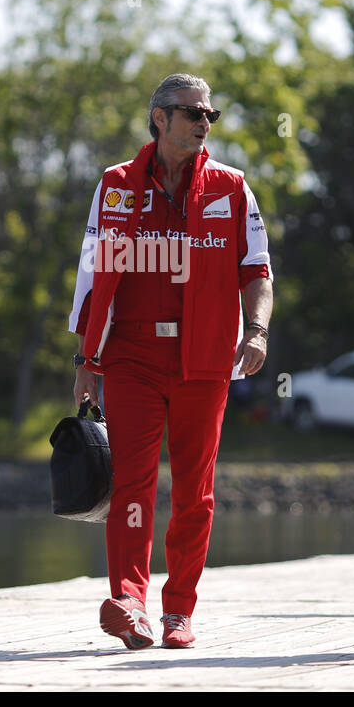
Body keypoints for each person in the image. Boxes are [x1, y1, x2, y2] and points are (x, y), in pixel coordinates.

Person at [69, 73, 272, 650]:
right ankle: (128, 602)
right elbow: (91, 274)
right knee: (131, 483)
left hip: (206, 356)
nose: (203, 123)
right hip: (131, 355)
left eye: (209, 114)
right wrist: (86, 356)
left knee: (194, 490)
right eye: (191, 112)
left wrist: (256, 331)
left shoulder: (232, 188)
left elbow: (255, 269)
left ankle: (179, 610)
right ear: (158, 117)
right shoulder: (115, 186)